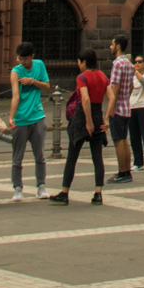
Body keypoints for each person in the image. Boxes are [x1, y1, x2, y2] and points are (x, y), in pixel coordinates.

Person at [49, 48, 109, 206]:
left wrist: (88, 121)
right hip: (98, 115)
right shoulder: (103, 76)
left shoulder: (82, 77)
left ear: (83, 62)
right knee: (97, 157)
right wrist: (106, 119)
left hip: (82, 116)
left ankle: (64, 192)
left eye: (79, 61)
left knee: (72, 156)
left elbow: (85, 99)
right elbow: (112, 96)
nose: (78, 64)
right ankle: (98, 193)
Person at [6, 42, 49, 200]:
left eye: (25, 59)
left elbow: (46, 86)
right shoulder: (15, 72)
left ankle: (41, 186)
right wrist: (11, 117)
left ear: (32, 56)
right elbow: (16, 95)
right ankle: (17, 188)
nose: (22, 62)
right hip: (21, 119)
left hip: (38, 117)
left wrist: (32, 81)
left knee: (40, 155)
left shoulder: (39, 65)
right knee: (17, 157)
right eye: (19, 58)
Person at [107, 36, 135, 184]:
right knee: (124, 140)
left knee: (118, 140)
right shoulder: (129, 64)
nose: (110, 47)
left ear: (118, 46)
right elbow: (130, 86)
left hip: (118, 108)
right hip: (126, 106)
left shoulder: (117, 64)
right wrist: (125, 98)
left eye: (112, 45)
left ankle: (122, 172)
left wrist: (111, 106)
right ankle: (127, 172)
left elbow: (115, 86)